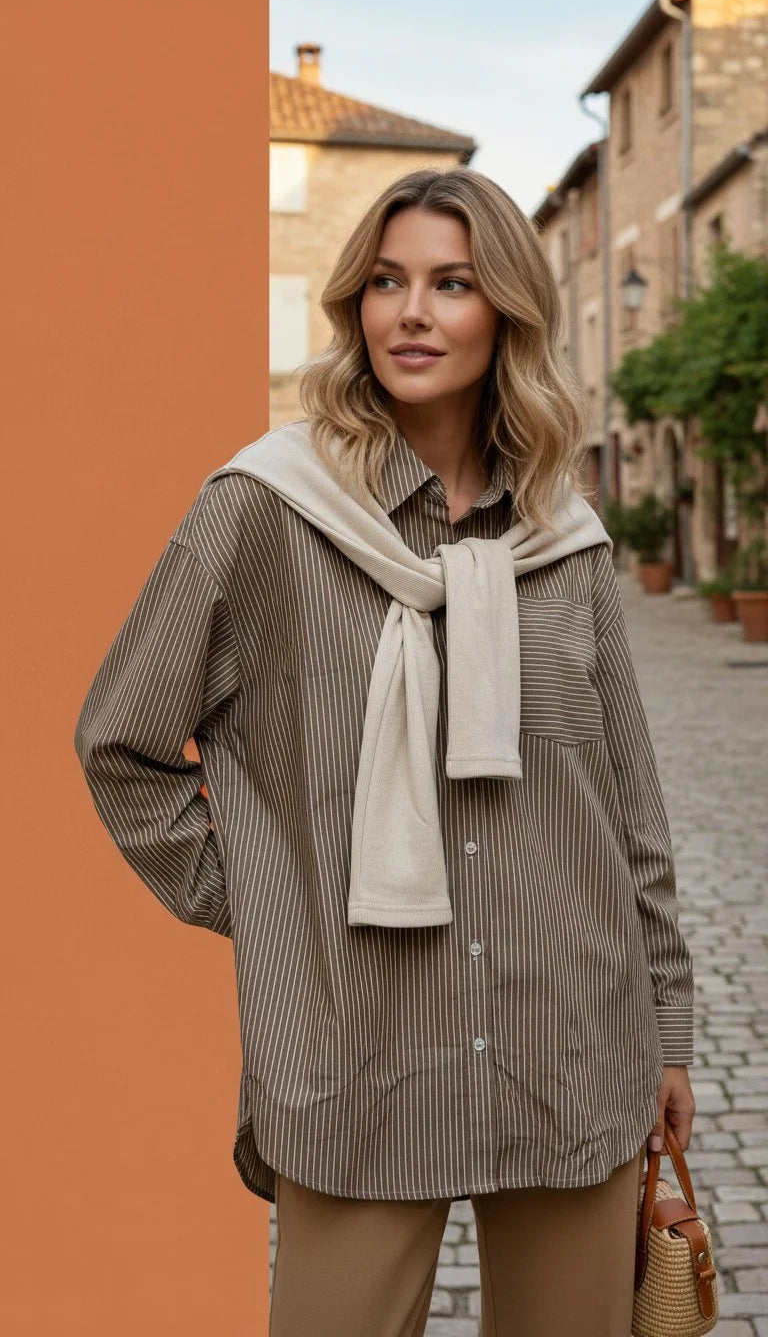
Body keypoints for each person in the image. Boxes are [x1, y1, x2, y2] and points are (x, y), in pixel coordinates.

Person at [74, 166, 696, 1337]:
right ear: (356, 305)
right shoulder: (265, 510)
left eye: (452, 284)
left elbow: (628, 806)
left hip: (572, 1044)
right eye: (386, 282)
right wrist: (266, 898)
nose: (412, 313)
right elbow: (123, 740)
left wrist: (666, 1032)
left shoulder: (565, 537)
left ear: (507, 310)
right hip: (357, 1054)